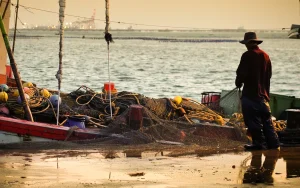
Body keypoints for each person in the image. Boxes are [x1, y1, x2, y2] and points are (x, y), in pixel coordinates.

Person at [235, 32, 280, 150]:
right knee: (267, 123)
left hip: (250, 95)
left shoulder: (247, 55)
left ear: (249, 43)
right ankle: (274, 144)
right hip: (264, 97)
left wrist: (238, 82)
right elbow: (269, 75)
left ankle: (258, 143)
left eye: (246, 44)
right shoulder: (265, 56)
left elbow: (241, 74)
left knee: (253, 121)